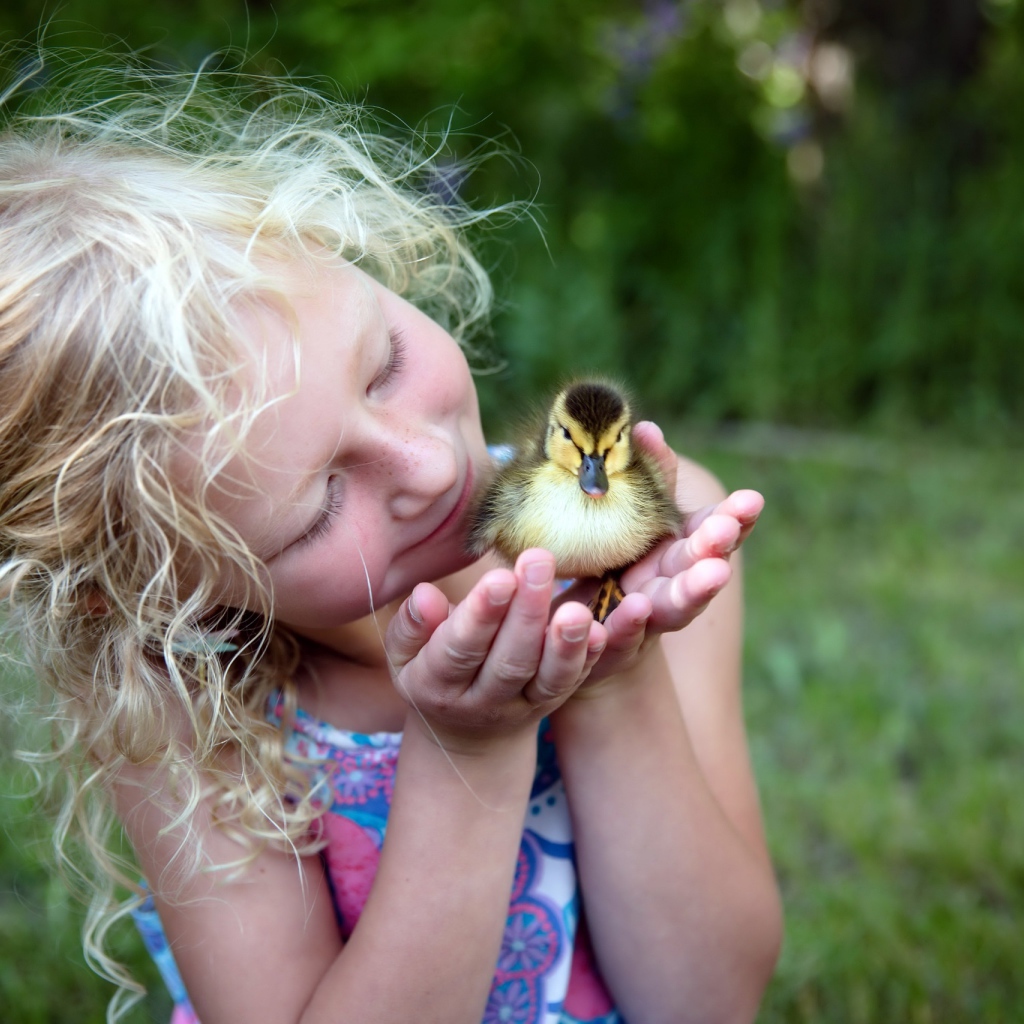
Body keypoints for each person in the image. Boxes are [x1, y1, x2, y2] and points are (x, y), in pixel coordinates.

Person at [0, 56, 782, 1024]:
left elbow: (708, 998)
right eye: (322, 504)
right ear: (142, 590)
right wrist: (471, 751)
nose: (424, 465)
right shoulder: (184, 705)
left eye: (386, 366)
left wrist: (612, 669)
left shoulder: (654, 530)